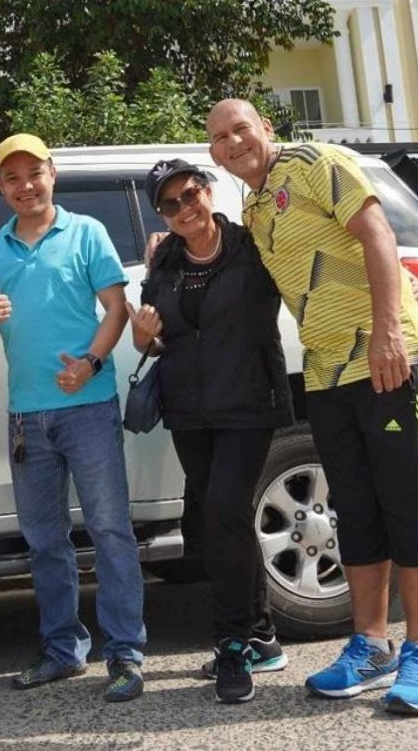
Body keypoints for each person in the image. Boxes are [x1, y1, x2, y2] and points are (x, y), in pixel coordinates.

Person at [205, 99, 418, 715]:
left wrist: (388, 331)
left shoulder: (319, 162)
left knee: (407, 497)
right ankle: (369, 645)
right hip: (322, 368)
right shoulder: (255, 206)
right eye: (220, 137)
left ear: (265, 126)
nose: (234, 142)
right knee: (356, 508)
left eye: (242, 128)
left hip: (384, 354)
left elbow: (378, 234)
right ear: (213, 152)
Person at [0, 133, 146, 703]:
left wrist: (91, 363)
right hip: (26, 416)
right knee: (44, 539)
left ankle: (125, 655)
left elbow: (117, 308)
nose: (25, 185)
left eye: (33, 173)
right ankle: (62, 650)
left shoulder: (87, 232)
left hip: (87, 407)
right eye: (12, 178)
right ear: (0, 187)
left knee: (111, 530)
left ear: (52, 173)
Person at [129, 158, 292, 705]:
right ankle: (263, 634)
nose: (183, 209)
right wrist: (144, 338)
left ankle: (231, 644)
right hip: (189, 409)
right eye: (169, 204)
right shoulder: (165, 260)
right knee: (222, 518)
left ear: (208, 191)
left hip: (248, 402)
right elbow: (157, 341)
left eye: (190, 194)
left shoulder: (252, 248)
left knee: (223, 512)